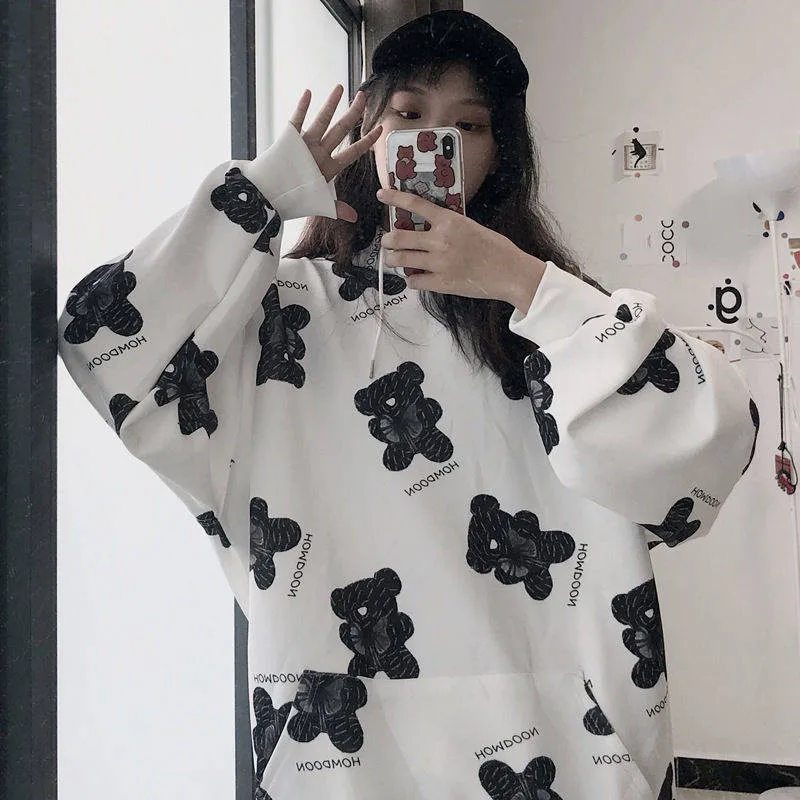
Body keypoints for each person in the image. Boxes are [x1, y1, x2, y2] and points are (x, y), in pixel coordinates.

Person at [58, 9, 759, 800]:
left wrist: (527, 285)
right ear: (370, 130)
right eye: (409, 113)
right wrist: (258, 196)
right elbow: (103, 345)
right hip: (349, 756)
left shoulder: (560, 319)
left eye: (470, 125)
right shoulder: (283, 310)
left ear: (501, 152)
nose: (436, 141)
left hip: (568, 758)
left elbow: (710, 451)